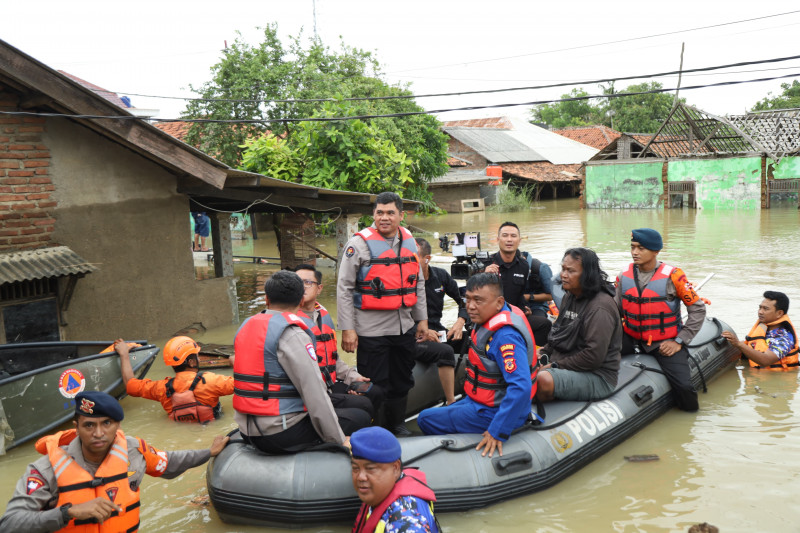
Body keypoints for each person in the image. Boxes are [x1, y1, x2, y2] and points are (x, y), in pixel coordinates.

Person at [0, 391, 228, 532]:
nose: (98, 433)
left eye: (106, 423)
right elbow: (10, 524)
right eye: (89, 425)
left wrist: (209, 452)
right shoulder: (45, 469)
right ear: (76, 427)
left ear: (117, 425)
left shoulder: (134, 451)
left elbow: (169, 461)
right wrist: (67, 513)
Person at [233, 270, 369, 454]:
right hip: (279, 433)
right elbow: (314, 392)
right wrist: (338, 439)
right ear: (301, 301)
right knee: (360, 417)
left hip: (247, 430)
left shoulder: (246, 326)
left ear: (266, 299)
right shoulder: (292, 334)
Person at [337, 192, 428, 436]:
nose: (384, 218)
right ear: (373, 214)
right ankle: (377, 430)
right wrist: (348, 328)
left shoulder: (410, 243)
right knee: (375, 383)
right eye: (379, 212)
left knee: (402, 379)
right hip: (371, 329)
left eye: (390, 213)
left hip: (404, 327)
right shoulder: (357, 245)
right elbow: (344, 288)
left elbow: (417, 282)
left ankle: (397, 425)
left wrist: (422, 320)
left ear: (401, 215)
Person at [417, 273, 536, 458]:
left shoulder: (505, 336)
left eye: (478, 300)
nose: (470, 306)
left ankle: (457, 454)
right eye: (468, 299)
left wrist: (498, 430)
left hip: (494, 411)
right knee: (439, 412)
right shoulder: (492, 317)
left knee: (425, 418)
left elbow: (521, 387)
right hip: (481, 401)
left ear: (499, 302)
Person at [615, 228, 705, 412]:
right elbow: (615, 310)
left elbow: (697, 310)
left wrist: (679, 341)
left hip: (664, 342)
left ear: (656, 251)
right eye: (632, 247)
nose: (634, 252)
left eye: (641, 248)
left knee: (685, 388)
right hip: (630, 336)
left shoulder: (675, 277)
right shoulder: (624, 275)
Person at [293, 264, 383, 417]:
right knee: (362, 405)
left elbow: (332, 358)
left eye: (307, 282)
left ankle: (376, 435)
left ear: (319, 288)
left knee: (374, 391)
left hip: (329, 384)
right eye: (297, 282)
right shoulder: (289, 319)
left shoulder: (323, 316)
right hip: (309, 392)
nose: (302, 287)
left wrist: (352, 377)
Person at [536, 248, 621, 403]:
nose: (563, 275)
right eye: (563, 269)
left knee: (543, 379)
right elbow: (559, 332)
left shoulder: (600, 308)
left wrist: (555, 365)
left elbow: (593, 357)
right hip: (567, 363)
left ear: (587, 275)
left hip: (597, 376)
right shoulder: (570, 296)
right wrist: (544, 352)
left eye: (570, 271)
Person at [115, 336, 233, 423]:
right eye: (197, 356)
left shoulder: (161, 388)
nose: (200, 359)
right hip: (211, 428)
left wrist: (124, 354)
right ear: (191, 362)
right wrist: (235, 364)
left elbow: (130, 386)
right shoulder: (211, 381)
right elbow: (245, 384)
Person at [350, 426, 439, 533]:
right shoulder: (380, 491)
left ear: (395, 468)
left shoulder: (405, 522)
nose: (360, 477)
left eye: (370, 469)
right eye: (355, 468)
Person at [414, 238, 470, 405]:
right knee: (445, 351)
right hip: (413, 338)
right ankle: (451, 402)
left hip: (437, 333)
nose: (409, 263)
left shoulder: (440, 276)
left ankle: (478, 388)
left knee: (473, 338)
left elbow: (464, 298)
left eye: (414, 258)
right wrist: (420, 329)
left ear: (427, 258)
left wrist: (460, 321)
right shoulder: (402, 282)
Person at [484, 221, 553, 346]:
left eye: (513, 236)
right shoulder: (486, 264)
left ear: (519, 240)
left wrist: (523, 308)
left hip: (513, 316)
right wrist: (484, 276)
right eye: (505, 235)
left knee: (544, 324)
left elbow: (519, 294)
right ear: (498, 239)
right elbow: (473, 295)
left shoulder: (523, 265)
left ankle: (531, 359)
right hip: (490, 316)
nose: (509, 239)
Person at [722, 291, 798, 370]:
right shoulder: (765, 329)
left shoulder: (784, 338)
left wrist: (738, 344)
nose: (760, 312)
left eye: (766, 309)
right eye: (760, 307)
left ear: (779, 313)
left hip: (774, 379)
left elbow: (766, 360)